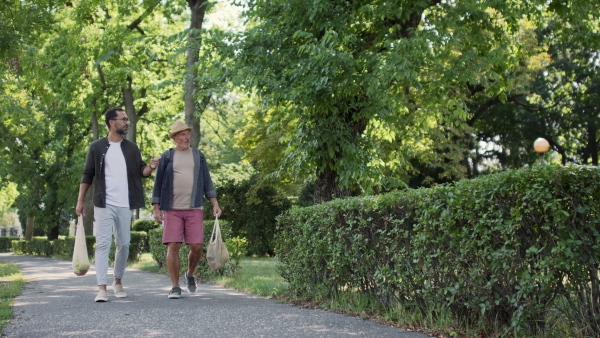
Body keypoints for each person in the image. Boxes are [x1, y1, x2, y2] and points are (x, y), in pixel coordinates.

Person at [76, 107, 159, 302]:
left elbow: (142, 171)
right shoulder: (96, 147)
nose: (127, 122)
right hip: (104, 203)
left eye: (127, 119)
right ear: (112, 122)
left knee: (123, 244)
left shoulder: (131, 147)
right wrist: (80, 200)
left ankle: (118, 281)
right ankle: (102, 288)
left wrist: (151, 167)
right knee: (103, 244)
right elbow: (87, 174)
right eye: (123, 119)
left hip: (125, 203)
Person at [152, 120, 222, 299]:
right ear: (175, 138)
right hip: (172, 208)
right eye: (182, 134)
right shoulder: (167, 157)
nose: (186, 137)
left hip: (194, 207)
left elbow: (207, 181)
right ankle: (175, 286)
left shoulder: (198, 155)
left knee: (196, 246)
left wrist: (214, 202)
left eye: (187, 134)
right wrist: (156, 208)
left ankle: (190, 274)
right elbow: (158, 184)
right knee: (173, 245)